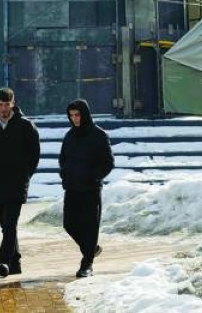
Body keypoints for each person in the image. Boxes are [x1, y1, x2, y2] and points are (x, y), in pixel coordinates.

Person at [0, 87, 41, 278]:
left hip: (18, 182)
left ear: (13, 103)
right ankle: (15, 263)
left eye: (7, 104)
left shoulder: (26, 126)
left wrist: (24, 175)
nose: (3, 108)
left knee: (10, 224)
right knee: (5, 226)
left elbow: (34, 155)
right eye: (0, 104)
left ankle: (3, 262)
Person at [59, 98, 114, 278]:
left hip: (90, 189)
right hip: (72, 188)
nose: (75, 119)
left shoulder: (99, 135)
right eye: (72, 116)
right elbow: (63, 159)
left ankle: (87, 264)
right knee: (69, 224)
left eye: (78, 115)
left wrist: (93, 176)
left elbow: (108, 163)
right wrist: (65, 174)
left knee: (90, 226)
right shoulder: (69, 136)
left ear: (85, 114)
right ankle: (92, 249)